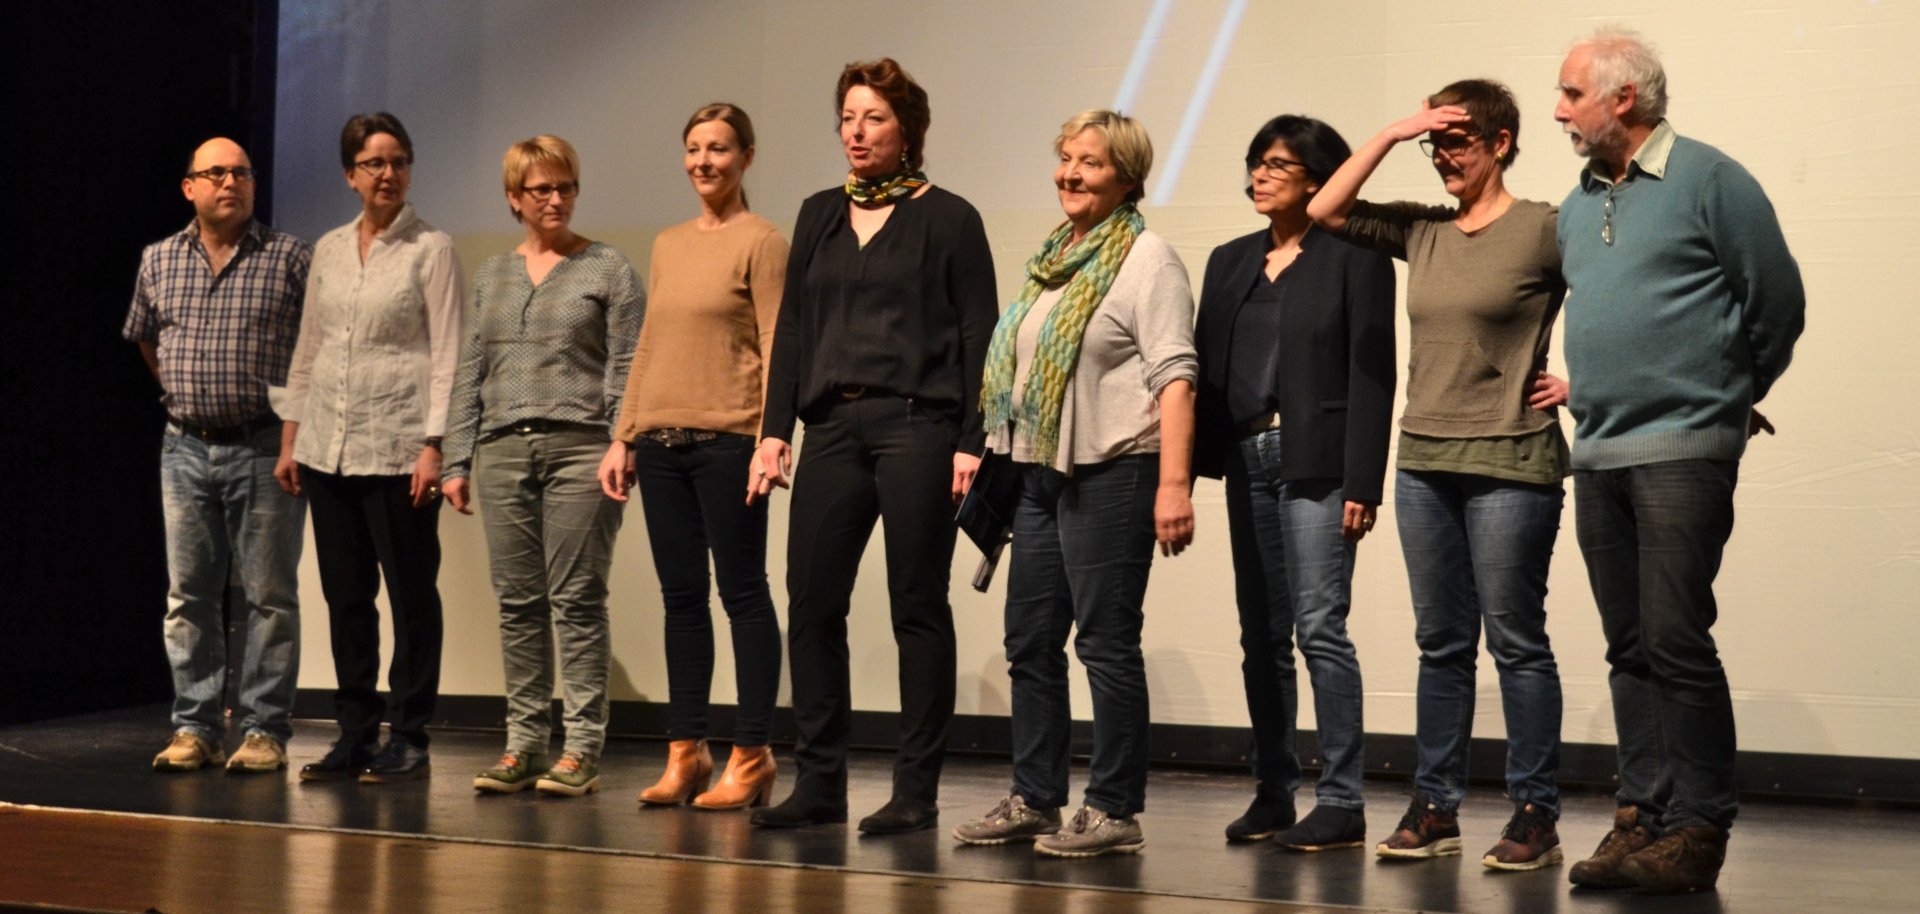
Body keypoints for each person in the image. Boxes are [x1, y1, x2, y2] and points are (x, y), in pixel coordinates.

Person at [1552, 27, 1804, 895]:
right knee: (1629, 646)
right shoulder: (1581, 201)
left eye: (1571, 94)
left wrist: (1730, 390)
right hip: (1601, 451)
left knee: (1675, 638)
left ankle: (1699, 828)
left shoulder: (1709, 178)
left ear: (1624, 98)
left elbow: (1777, 299)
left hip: (1683, 448)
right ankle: (1644, 815)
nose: (1560, 110)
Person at [1308, 82, 1571, 870]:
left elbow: (1628, 296)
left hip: (1511, 458)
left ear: (1501, 143)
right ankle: (1436, 806)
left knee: (1515, 642)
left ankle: (1534, 811)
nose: (1445, 157)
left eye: (1459, 141)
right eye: (1438, 144)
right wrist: (1392, 132)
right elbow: (1323, 210)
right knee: (1442, 643)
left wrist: (1583, 386)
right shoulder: (1422, 230)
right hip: (1424, 457)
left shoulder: (1543, 229)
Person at [747, 57, 998, 834]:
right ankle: (820, 780)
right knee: (813, 600)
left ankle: (914, 792)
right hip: (831, 427)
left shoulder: (950, 217)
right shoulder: (819, 211)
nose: (857, 132)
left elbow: (977, 334)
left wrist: (971, 440)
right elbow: (793, 329)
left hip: (918, 424)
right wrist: (772, 431)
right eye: (848, 118)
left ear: (908, 130)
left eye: (874, 119)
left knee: (915, 603)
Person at [949, 110, 1196, 858]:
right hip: (1040, 475)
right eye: (1064, 158)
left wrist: (1174, 486)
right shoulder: (1055, 258)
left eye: (1088, 162)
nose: (1070, 173)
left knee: (1107, 644)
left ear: (1125, 176)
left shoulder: (1148, 259)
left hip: (1116, 474)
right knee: (1029, 640)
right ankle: (1036, 798)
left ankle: (1116, 808)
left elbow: (1177, 377)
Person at [1192, 116, 1395, 851]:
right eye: (1255, 162)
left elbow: (1374, 375)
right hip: (1247, 458)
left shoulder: (1353, 254)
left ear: (1317, 176)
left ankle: (1341, 799)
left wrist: (1363, 481)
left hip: (1319, 459)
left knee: (1319, 627)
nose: (1260, 174)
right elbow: (1200, 375)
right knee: (1260, 636)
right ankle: (1273, 792)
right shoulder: (1229, 260)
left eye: (1278, 164)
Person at [442, 135, 645, 798]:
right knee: (518, 603)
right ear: (514, 198)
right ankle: (525, 744)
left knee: (577, 599)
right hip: (502, 448)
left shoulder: (607, 268)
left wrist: (624, 440)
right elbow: (472, 367)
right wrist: (456, 456)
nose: (555, 199)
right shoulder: (494, 274)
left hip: (582, 447)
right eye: (541, 190)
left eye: (565, 187)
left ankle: (581, 747)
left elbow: (627, 366)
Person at [598, 103, 787, 810]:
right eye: (694, 149)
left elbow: (776, 347)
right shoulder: (670, 242)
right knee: (682, 600)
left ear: (746, 156)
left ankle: (753, 753)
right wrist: (625, 434)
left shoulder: (762, 240)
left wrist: (771, 436)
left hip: (730, 442)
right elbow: (649, 344)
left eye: (719, 148)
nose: (704, 161)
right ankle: (687, 753)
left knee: (742, 594)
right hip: (662, 443)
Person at [271, 112, 464, 785]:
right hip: (329, 447)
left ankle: (409, 734)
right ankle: (355, 731)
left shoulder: (431, 249)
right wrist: (292, 436)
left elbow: (450, 355)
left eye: (399, 161)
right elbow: (310, 348)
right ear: (351, 174)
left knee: (412, 596)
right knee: (345, 596)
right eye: (375, 163)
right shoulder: (327, 249)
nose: (389, 174)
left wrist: (435, 444)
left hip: (400, 447)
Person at [124, 137, 313, 773]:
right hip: (183, 446)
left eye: (241, 173)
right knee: (190, 596)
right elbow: (146, 338)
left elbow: (313, 352)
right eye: (216, 173)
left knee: (269, 596)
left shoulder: (289, 257)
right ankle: (195, 727)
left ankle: (263, 730)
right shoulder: (158, 260)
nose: (230, 183)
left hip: (264, 446)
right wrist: (187, 396)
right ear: (190, 187)